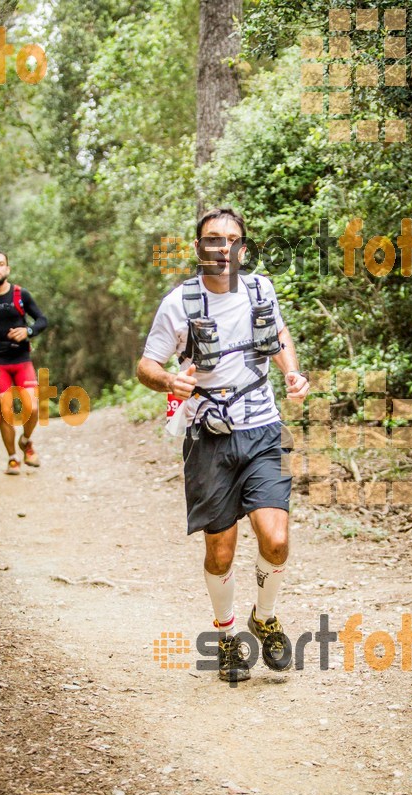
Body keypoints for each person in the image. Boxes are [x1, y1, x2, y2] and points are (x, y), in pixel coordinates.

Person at [137, 207, 309, 682]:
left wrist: (291, 371)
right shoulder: (178, 304)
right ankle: (228, 634)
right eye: (212, 239)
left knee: (276, 540)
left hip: (264, 430)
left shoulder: (261, 289)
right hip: (208, 436)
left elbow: (277, 333)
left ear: (242, 249)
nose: (222, 247)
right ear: (198, 248)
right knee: (221, 553)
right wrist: (169, 381)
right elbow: (146, 366)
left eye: (231, 239)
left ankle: (266, 616)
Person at [0, 251, 48, 474]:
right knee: (5, 410)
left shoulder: (21, 294)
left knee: (32, 408)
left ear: (8, 269)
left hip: (21, 359)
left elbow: (42, 320)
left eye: (1, 264)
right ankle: (13, 458)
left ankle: (26, 441)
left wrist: (28, 331)